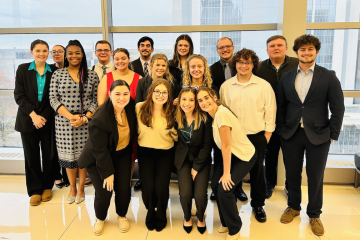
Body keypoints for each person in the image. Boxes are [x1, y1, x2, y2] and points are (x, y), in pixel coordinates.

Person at [277, 34, 344, 236]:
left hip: (320, 135)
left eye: (310, 49)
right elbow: (281, 106)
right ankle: (294, 207)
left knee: (315, 176)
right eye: (302, 50)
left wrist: (333, 133)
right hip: (291, 133)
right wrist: (281, 129)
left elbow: (338, 108)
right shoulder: (287, 77)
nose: (306, 53)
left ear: (316, 51)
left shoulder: (328, 76)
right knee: (292, 174)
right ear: (296, 53)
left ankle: (314, 214)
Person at [220, 48, 276, 223]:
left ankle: (258, 205)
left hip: (256, 136)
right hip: (233, 137)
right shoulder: (226, 86)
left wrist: (266, 135)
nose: (243, 66)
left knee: (258, 172)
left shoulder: (263, 85)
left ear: (253, 65)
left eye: (248, 62)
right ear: (234, 64)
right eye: (240, 62)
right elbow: (222, 111)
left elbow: (270, 111)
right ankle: (233, 198)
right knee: (234, 169)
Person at [196, 87, 256, 240]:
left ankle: (235, 228)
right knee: (216, 185)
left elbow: (226, 146)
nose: (204, 102)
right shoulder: (215, 114)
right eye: (200, 100)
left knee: (225, 188)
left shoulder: (221, 114)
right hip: (232, 155)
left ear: (214, 97)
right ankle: (226, 222)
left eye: (206, 98)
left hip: (244, 156)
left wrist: (227, 173)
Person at [78, 80, 136, 236]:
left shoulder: (130, 107)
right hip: (98, 158)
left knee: (123, 189)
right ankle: (100, 218)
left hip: (121, 154)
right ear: (110, 95)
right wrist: (108, 173)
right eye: (117, 94)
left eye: (125, 94)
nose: (122, 98)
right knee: (105, 192)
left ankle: (122, 215)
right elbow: (99, 150)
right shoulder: (100, 119)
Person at [49, 40, 99, 204]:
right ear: (66, 55)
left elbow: (95, 100)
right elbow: (53, 99)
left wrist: (85, 118)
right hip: (64, 123)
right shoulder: (58, 74)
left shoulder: (91, 74)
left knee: (82, 158)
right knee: (68, 158)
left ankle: (81, 188)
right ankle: (72, 187)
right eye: (70, 53)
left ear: (82, 54)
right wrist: (70, 116)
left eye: (77, 52)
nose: (73, 56)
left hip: (85, 122)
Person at [14, 39, 58, 206]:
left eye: (45, 50)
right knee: (31, 156)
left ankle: (47, 187)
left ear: (48, 53)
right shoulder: (23, 69)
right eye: (38, 50)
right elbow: (19, 95)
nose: (42, 53)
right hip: (27, 119)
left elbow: (53, 97)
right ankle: (34, 190)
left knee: (49, 155)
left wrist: (43, 117)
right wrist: (34, 115)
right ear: (31, 52)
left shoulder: (54, 70)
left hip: (47, 120)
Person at [256, 35, 299, 199]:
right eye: (272, 46)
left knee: (291, 156)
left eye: (279, 45)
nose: (276, 48)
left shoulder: (297, 64)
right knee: (270, 154)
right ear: (267, 50)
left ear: (286, 48)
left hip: (291, 120)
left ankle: (290, 186)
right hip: (268, 120)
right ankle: (270, 184)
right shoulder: (259, 68)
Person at [136, 79, 178, 232]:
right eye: (157, 91)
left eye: (164, 92)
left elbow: (176, 135)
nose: (160, 95)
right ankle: (150, 211)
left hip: (165, 152)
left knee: (161, 187)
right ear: (151, 92)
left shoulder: (172, 111)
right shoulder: (139, 108)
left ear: (169, 95)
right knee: (148, 187)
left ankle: (161, 214)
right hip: (145, 151)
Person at [97, 48, 141, 184]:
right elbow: (101, 103)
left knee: (130, 154)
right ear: (113, 60)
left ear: (129, 59)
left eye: (123, 58)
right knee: (110, 152)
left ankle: (125, 183)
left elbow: (140, 104)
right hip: (110, 123)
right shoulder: (107, 77)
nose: (120, 61)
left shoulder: (139, 78)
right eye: (117, 59)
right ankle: (110, 181)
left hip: (130, 125)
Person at [134, 53, 175, 191]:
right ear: (151, 66)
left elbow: (171, 105)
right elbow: (139, 103)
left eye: (163, 65)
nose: (160, 68)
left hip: (163, 127)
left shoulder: (171, 82)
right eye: (157, 64)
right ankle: (143, 179)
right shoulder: (142, 82)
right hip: (147, 125)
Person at [174, 87, 213, 234]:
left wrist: (196, 167)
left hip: (200, 160)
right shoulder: (175, 116)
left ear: (196, 102)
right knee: (185, 193)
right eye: (184, 99)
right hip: (182, 160)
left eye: (191, 100)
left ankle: (201, 217)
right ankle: (187, 216)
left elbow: (207, 145)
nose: (187, 103)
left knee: (200, 195)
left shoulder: (204, 118)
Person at [209, 37, 237, 201]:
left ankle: (236, 187)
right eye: (221, 47)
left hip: (238, 117)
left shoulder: (241, 66)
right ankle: (216, 187)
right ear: (217, 50)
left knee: (236, 154)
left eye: (227, 47)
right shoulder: (212, 69)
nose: (225, 49)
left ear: (233, 47)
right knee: (219, 153)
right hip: (218, 116)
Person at [50, 45, 70, 189]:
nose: (57, 54)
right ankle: (57, 176)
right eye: (54, 52)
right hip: (52, 113)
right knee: (54, 148)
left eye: (60, 51)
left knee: (67, 147)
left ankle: (67, 176)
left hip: (67, 116)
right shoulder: (50, 70)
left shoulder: (71, 68)